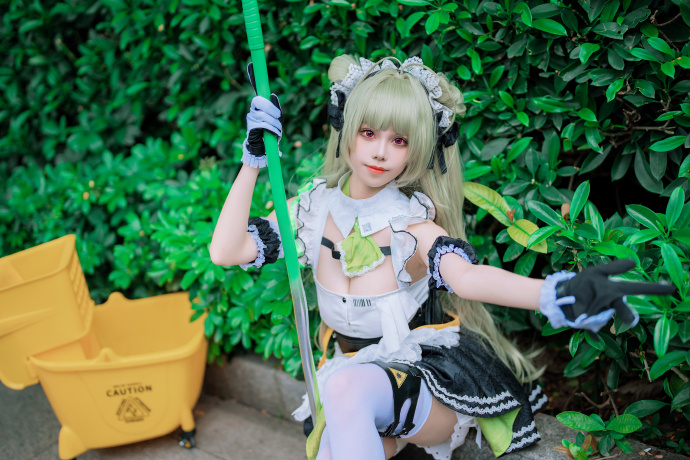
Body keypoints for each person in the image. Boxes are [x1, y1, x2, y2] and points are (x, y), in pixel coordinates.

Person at [209, 55, 674, 460]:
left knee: (345, 390)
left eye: (399, 140)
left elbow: (467, 278)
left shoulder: (410, 224)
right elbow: (225, 251)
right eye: (368, 132)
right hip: (351, 378)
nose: (379, 152)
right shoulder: (311, 210)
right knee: (332, 441)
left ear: (418, 148)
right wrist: (252, 162)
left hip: (423, 379)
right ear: (346, 128)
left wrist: (557, 293)